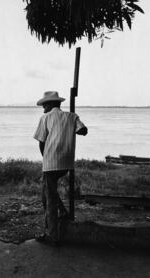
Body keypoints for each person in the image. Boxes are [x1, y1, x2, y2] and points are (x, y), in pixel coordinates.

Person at [33, 91, 88, 246]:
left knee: (49, 198)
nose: (43, 107)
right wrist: (68, 129)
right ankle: (63, 212)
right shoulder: (71, 116)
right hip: (66, 162)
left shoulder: (45, 118)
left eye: (44, 104)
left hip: (51, 163)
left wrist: (46, 158)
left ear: (51, 104)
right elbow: (83, 131)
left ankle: (52, 236)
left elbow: (41, 142)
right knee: (47, 192)